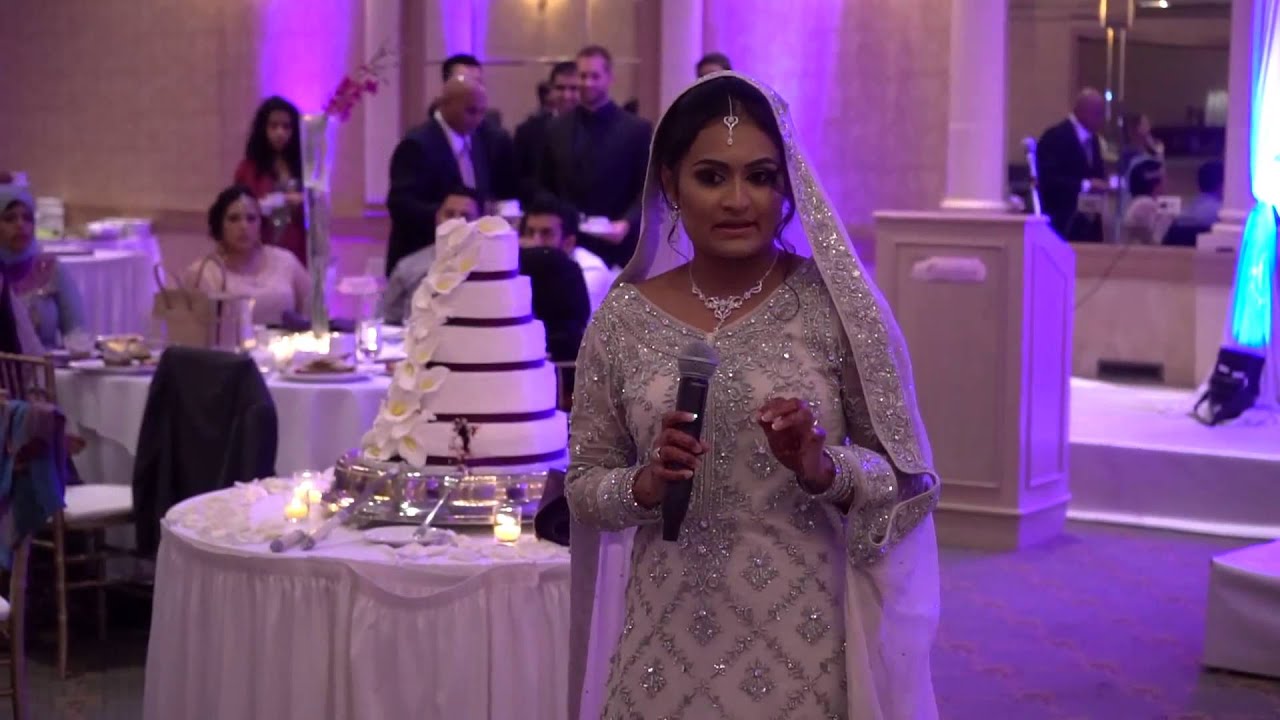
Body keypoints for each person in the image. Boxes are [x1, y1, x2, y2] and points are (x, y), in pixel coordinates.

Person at [565, 73, 940, 719]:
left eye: (762, 176)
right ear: (670, 185)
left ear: (788, 184)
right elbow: (582, 486)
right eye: (712, 176)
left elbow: (904, 481)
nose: (739, 200)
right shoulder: (623, 317)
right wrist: (647, 485)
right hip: (665, 635)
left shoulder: (837, 308)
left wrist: (822, 467)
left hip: (805, 637)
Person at [386, 77, 516, 275]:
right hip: (422, 258)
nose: (478, 119)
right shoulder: (417, 144)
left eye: (482, 112)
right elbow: (399, 203)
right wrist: (445, 216)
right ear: (445, 104)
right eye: (471, 111)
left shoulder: (477, 139)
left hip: (467, 258)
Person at [539, 45, 652, 269]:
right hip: (570, 246)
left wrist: (627, 223)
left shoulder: (636, 129)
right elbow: (544, 185)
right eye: (582, 76)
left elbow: (649, 188)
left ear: (609, 78)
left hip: (620, 247)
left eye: (595, 76)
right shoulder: (555, 129)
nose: (587, 83)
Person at [187, 186, 310, 326]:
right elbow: (197, 333)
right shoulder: (203, 273)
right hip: (228, 347)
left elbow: (313, 314)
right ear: (219, 225)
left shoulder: (286, 261)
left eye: (251, 218)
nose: (244, 226)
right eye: (234, 219)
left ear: (260, 223)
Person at [0, 182, 85, 351]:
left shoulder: (50, 269)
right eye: (10, 218)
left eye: (27, 218)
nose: (20, 225)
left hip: (47, 372)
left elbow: (78, 334)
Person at [379, 186, 480, 324]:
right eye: (449, 214)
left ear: (479, 222)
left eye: (465, 216)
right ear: (437, 217)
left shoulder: (494, 270)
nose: (456, 222)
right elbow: (385, 321)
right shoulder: (408, 267)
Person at [233, 96, 307, 265]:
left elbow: (315, 212)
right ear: (263, 129)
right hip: (261, 251)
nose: (280, 133)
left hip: (297, 253)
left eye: (286, 127)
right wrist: (283, 199)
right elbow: (245, 210)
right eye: (273, 126)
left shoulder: (303, 168)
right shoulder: (248, 168)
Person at [518, 194, 614, 311]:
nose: (535, 241)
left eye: (546, 233)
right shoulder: (521, 264)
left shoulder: (591, 271)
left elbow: (573, 325)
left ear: (568, 243)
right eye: (530, 232)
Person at [1036, 88, 1109, 242]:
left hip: (1089, 225)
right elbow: (1048, 181)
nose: (1102, 119)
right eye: (1098, 113)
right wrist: (1085, 185)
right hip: (1062, 224)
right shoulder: (1055, 137)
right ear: (1082, 111)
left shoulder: (1094, 140)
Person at [514, 61, 579, 204]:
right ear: (551, 90)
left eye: (574, 89)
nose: (567, 95)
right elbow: (520, 180)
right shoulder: (528, 131)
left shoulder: (594, 130)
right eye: (560, 88)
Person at [1120, 158, 1174, 244]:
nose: (1168, 182)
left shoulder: (1144, 203)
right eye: (1164, 178)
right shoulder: (1144, 204)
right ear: (1155, 182)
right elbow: (1156, 242)